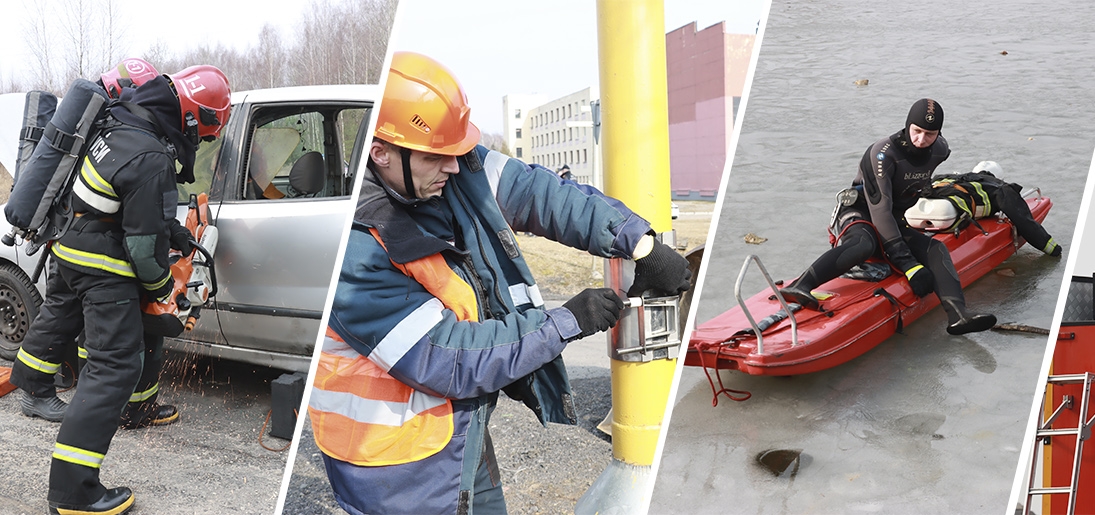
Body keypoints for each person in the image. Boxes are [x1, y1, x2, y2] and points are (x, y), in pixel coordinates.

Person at [306, 52, 691, 515]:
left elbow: (540, 193)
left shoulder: (452, 171)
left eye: (456, 153)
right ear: (381, 152)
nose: (452, 168)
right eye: (435, 157)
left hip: (461, 437)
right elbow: (445, 357)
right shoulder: (356, 248)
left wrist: (639, 243)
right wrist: (566, 321)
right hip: (397, 473)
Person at [8, 64, 229, 515]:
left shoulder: (127, 124)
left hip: (73, 241)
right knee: (115, 364)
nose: (201, 144)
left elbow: (129, 202)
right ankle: (73, 493)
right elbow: (144, 250)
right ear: (195, 120)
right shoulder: (152, 155)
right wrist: (166, 288)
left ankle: (34, 383)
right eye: (206, 135)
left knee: (67, 319)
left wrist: (177, 234)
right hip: (99, 258)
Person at [12, 58, 184, 430]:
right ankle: (100, 404)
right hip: (88, 242)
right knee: (91, 327)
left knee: (59, 314)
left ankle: (34, 388)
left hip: (64, 235)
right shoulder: (118, 131)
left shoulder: (100, 126)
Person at [778, 98, 996, 335]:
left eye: (930, 134)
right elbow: (880, 209)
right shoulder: (882, 154)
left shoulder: (941, 150)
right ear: (907, 125)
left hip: (893, 219)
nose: (922, 140)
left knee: (936, 249)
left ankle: (959, 316)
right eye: (917, 131)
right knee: (865, 243)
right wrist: (909, 266)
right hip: (860, 214)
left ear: (939, 133)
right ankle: (801, 285)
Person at [903, 160, 1062, 257]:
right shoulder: (998, 187)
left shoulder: (948, 177)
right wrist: (1053, 249)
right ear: (997, 176)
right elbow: (1022, 219)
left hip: (913, 210)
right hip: (947, 213)